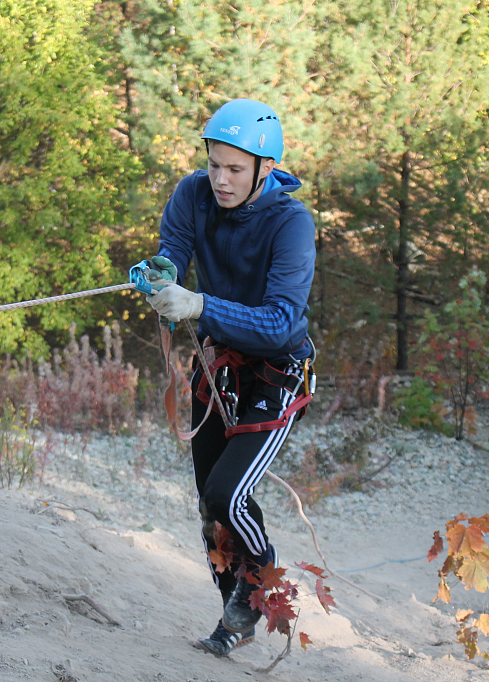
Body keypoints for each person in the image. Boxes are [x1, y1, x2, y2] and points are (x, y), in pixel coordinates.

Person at [135, 98, 316, 656]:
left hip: (277, 373)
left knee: (228, 492)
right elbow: (173, 256)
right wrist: (157, 277)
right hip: (218, 370)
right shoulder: (193, 194)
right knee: (210, 509)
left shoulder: (291, 224)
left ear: (265, 168)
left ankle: (263, 577)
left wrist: (198, 304)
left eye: (234, 168)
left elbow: (281, 322)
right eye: (214, 164)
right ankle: (232, 620)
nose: (220, 179)